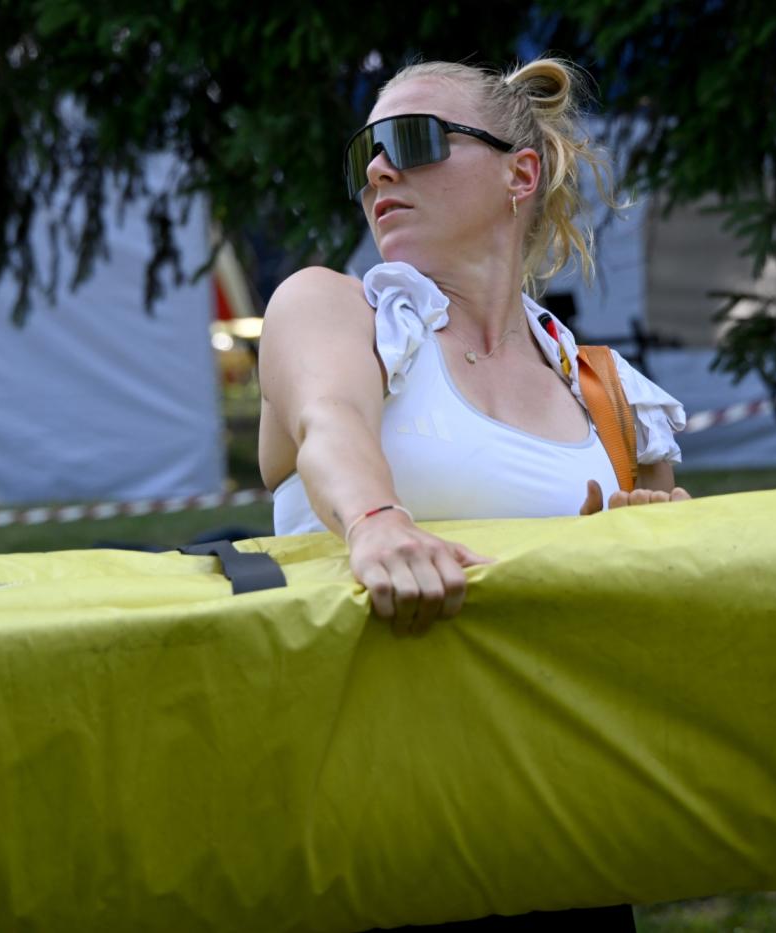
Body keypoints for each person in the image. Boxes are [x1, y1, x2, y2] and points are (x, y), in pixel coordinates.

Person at [256, 57, 689, 929]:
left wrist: (656, 541)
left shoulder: (609, 391)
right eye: (366, 154)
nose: (381, 170)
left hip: (557, 833)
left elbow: (654, 646)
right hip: (357, 831)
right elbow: (330, 423)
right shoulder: (332, 309)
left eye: (413, 140)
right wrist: (376, 523)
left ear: (518, 175)